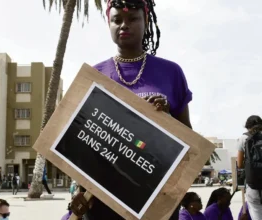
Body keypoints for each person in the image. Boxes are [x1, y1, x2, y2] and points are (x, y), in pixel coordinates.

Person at [70, 0, 193, 219]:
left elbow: (188, 139)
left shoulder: (171, 72)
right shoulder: (94, 76)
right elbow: (83, 142)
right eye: (116, 20)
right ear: (109, 24)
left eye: (133, 19)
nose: (123, 25)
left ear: (146, 21)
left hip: (154, 197)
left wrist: (167, 120)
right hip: (104, 199)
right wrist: (80, 190)